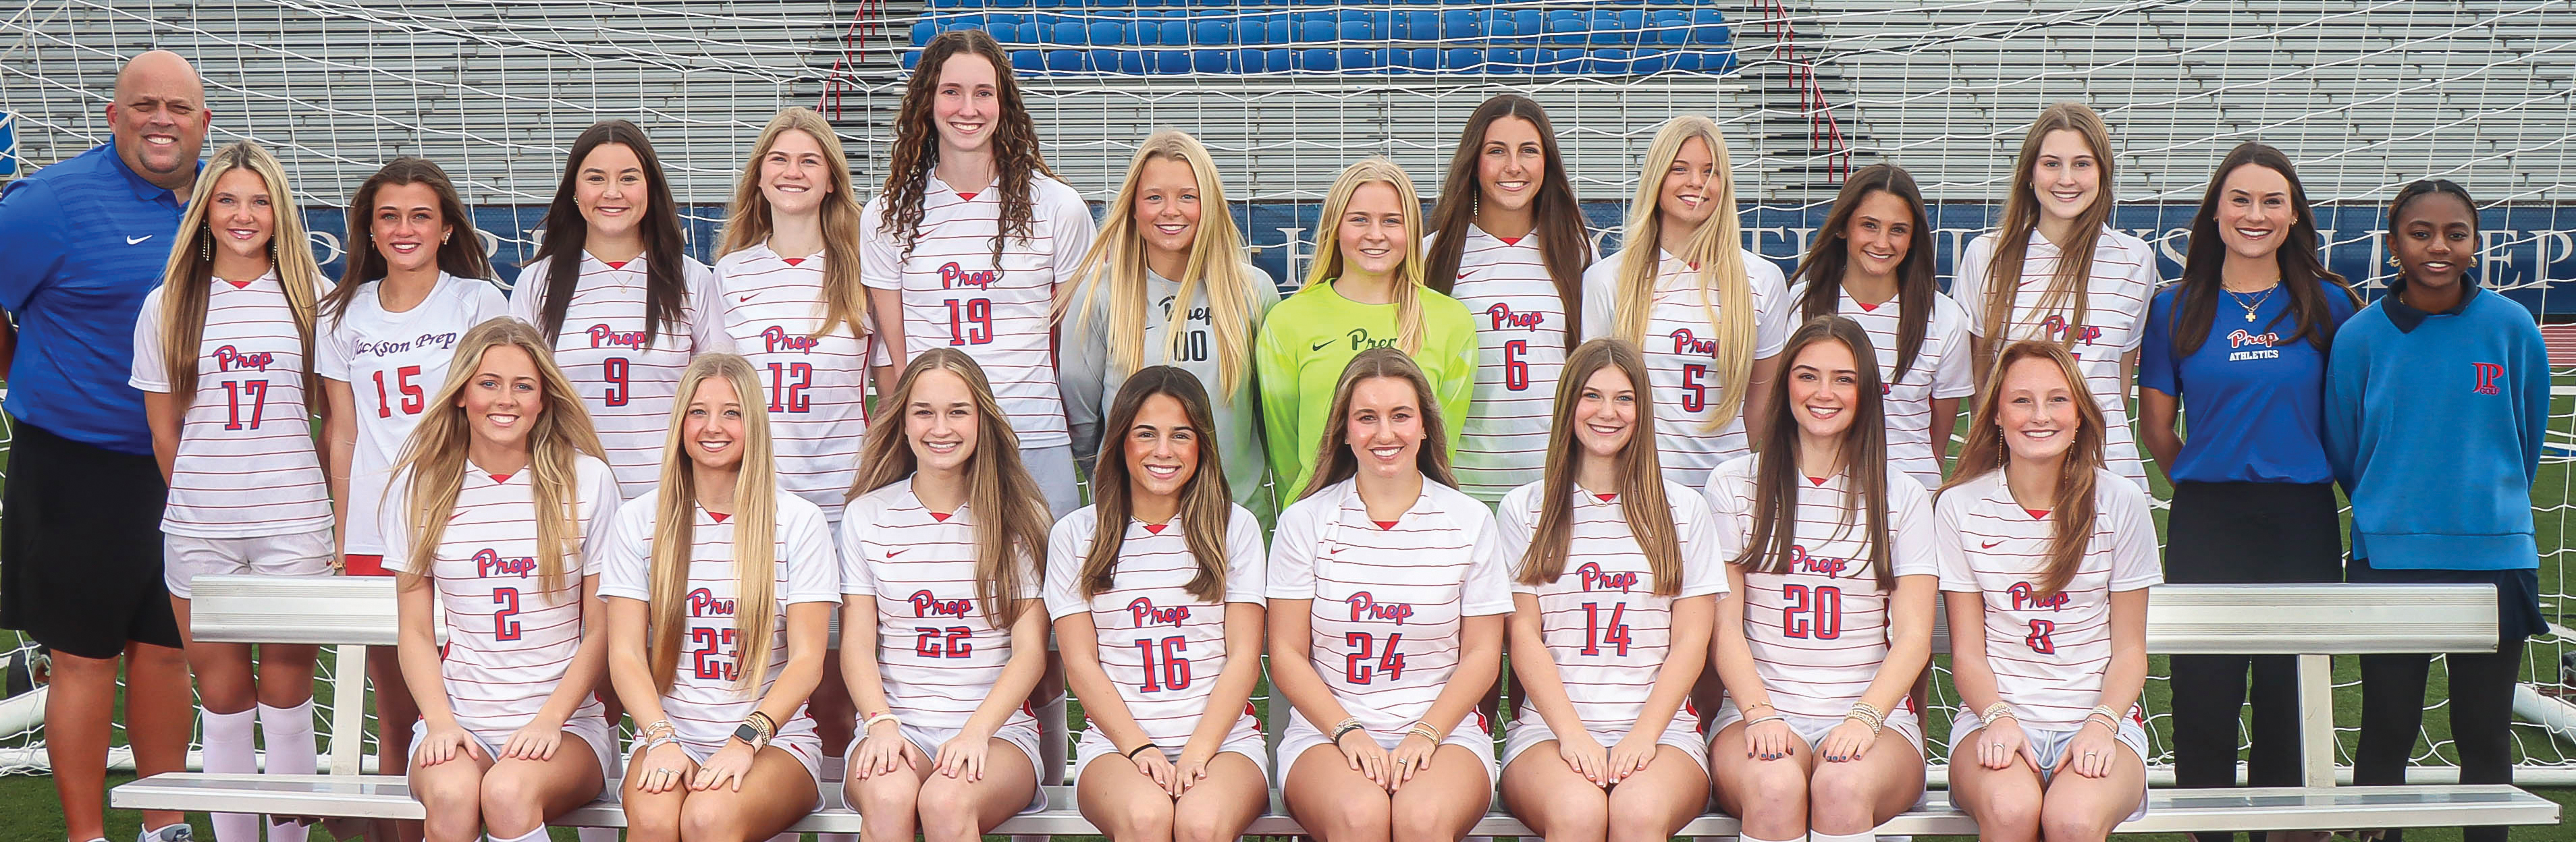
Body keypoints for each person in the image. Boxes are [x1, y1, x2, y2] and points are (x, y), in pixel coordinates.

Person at [0, 49, 206, 842]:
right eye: (145, 105)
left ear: (203, 123)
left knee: (166, 650)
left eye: (178, 108)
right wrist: (26, 375)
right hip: (78, 463)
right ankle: (86, 835)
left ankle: (164, 826)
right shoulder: (48, 203)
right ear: (114, 116)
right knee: (85, 656)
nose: (162, 121)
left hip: (186, 465)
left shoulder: (226, 203)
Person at [2135, 142, 2357, 841]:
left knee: (2291, 696)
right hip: (2207, 521)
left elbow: (2351, 417)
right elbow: (2156, 427)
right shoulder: (2174, 306)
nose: (2254, 214)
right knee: (2205, 693)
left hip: (2302, 520)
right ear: (2216, 212)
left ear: (2293, 216)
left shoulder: (2329, 304)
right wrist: (2208, 474)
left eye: (2271, 201)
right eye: (2240, 199)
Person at [2326, 179, 2548, 842]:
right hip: (2392, 560)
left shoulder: (2511, 327)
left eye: (2456, 233)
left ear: (2476, 243)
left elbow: (2527, 438)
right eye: (2421, 233)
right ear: (2393, 244)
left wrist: (2485, 507)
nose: (2439, 247)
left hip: (2494, 560)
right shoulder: (2360, 337)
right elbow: (2344, 447)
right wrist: (2395, 511)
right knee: (2386, 731)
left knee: (2484, 735)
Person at [126, 138, 330, 842]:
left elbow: (334, 420)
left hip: (293, 522)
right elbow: (163, 432)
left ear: (280, 212)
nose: (244, 214)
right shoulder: (168, 304)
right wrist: (202, 502)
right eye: (228, 200)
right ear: (205, 211)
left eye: (259, 201)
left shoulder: (315, 299)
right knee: (222, 700)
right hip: (198, 528)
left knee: (288, 698)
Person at [319, 159, 508, 835]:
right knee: (399, 711)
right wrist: (345, 536)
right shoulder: (342, 314)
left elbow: (504, 412)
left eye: (421, 215)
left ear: (447, 227)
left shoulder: (478, 303)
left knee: (471, 705)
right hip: (378, 534)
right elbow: (342, 432)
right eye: (389, 217)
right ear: (369, 231)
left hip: (468, 523)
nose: (405, 229)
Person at [382, 318, 622, 842]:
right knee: (452, 795)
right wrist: (440, 722)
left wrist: (550, 720)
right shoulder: (420, 486)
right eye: (489, 383)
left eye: (523, 386)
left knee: (508, 792)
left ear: (544, 399)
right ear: (461, 393)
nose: (505, 400)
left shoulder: (588, 481)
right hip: (459, 717)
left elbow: (603, 631)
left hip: (565, 725)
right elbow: (416, 631)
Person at [1703, 317, 1941, 842]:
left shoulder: (1900, 495)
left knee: (1842, 785)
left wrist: (1864, 719)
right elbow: (1723, 628)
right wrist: (1760, 714)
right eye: (1808, 376)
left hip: (1874, 716)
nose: (1824, 393)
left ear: (1866, 391)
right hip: (1758, 709)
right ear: (1785, 382)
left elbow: (1913, 637)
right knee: (1774, 786)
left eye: (1844, 379)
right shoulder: (1734, 484)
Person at [1268, 348, 1509, 842]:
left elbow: (1483, 655)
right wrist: (1347, 731)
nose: (1385, 433)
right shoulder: (1304, 522)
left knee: (1423, 818)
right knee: (1361, 816)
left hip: (1446, 730)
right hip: (1327, 732)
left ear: (1424, 427)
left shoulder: (1469, 521)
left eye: (1401, 416)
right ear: (1344, 430)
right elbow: (1287, 653)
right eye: (1367, 418)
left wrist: (1427, 732)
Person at [709, 104, 878, 803]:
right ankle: (766, 802)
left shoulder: (862, 268)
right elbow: (717, 393)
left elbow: (892, 388)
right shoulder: (729, 274)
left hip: (840, 494)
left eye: (810, 161)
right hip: (757, 500)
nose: (794, 172)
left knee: (835, 670)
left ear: (832, 178)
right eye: (779, 160)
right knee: (761, 658)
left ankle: (838, 809)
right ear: (759, 177)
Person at [861, 28, 1095, 520]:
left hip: (1033, 435)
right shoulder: (886, 216)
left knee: (1047, 571)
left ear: (1003, 103)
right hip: (938, 443)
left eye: (983, 93)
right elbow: (896, 357)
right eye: (952, 91)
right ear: (927, 101)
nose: (968, 109)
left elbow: (1077, 343)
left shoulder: (1059, 207)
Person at [1493, 338, 1721, 841]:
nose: (1608, 412)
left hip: (1663, 730)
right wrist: (1573, 737)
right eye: (1592, 396)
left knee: (1639, 813)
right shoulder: (1523, 509)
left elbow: (1691, 642)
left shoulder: (1684, 510)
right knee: (1577, 813)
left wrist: (1643, 736)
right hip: (1550, 730)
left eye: (1624, 399)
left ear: (1643, 410)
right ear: (1568, 404)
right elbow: (1523, 637)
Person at [603, 354, 836, 841]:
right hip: (669, 731)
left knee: (708, 818)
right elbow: (625, 654)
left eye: (732, 413)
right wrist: (660, 738)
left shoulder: (798, 521)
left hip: (772, 739)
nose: (714, 427)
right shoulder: (638, 519)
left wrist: (745, 741)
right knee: (654, 819)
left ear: (754, 424)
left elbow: (807, 661)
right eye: (698, 412)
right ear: (680, 423)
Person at [1936, 340, 2160, 841]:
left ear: (2079, 415)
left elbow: (2130, 650)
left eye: (2058, 400)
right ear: (1997, 415)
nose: (2040, 416)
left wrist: (2103, 723)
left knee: (2073, 820)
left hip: (2101, 717)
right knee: (2010, 810)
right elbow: (1968, 654)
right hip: (1995, 716)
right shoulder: (1960, 507)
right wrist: (1997, 718)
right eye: (2022, 400)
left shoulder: (2120, 501)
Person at [1044, 367, 1271, 842]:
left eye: (1180, 435)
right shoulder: (1076, 534)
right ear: (1120, 440)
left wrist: (1197, 753)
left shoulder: (1235, 527)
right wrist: (1139, 748)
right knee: (1145, 818)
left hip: (1223, 742)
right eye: (1146, 434)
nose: (1163, 451)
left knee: (1201, 823)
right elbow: (1080, 663)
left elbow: (1245, 657)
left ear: (1202, 444)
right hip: (1117, 744)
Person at [838, 349, 1054, 842]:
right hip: (897, 724)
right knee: (889, 797)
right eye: (924, 412)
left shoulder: (1020, 518)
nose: (941, 428)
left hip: (997, 732)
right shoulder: (867, 516)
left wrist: (976, 732)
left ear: (981, 419)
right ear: (903, 421)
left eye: (958, 411)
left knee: (946, 801)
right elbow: (857, 645)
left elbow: (1029, 653)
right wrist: (880, 723)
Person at [1060, 130, 1279, 522]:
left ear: (1210, 204)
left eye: (1187, 197)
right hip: (1132, 518)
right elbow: (1080, 410)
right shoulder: (1100, 294)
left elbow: (1270, 415)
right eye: (1154, 197)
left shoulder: (1252, 291)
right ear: (1133, 207)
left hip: (1232, 516)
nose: (1170, 211)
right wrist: (1109, 481)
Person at [504, 118, 723, 501]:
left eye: (628, 178)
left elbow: (720, 392)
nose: (612, 192)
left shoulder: (693, 279)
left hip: (669, 498)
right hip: (567, 496)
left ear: (650, 188)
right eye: (595, 178)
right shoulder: (537, 283)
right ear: (574, 191)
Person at [1950, 102, 2156, 488]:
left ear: (2103, 172)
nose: (2066, 179)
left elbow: (2119, 378)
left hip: (2108, 473)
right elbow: (1980, 381)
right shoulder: (1987, 255)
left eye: (2082, 164)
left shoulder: (2134, 259)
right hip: (2018, 475)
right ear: (2030, 173)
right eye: (2051, 164)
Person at [1580, 115, 1792, 489]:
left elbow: (1762, 401)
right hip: (1637, 487)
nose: (1697, 182)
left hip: (1729, 493)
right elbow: (1596, 399)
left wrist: (1741, 480)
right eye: (1680, 169)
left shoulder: (1763, 279)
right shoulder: (1608, 279)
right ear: (1657, 177)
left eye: (1711, 171)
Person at [1254, 159, 1478, 505]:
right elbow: (1284, 452)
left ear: (1412, 231)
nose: (1376, 234)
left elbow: (1441, 446)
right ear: (1335, 227)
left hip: (1416, 521)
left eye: (1392, 221)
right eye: (1360, 219)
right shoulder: (1288, 321)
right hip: (1318, 520)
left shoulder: (1451, 322)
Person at [1420, 94, 1596, 503]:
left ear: (1547, 163)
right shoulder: (1434, 253)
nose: (1513, 166)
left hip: (1554, 484)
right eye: (1496, 151)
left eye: (1528, 151)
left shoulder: (1577, 251)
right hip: (1461, 485)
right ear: (1474, 162)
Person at [1785, 164, 1972, 488]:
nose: (1882, 242)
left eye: (1898, 230)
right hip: (1814, 489)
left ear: (1913, 238)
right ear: (1843, 227)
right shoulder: (1802, 304)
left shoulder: (1945, 317)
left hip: (1909, 491)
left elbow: (1940, 431)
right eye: (1869, 226)